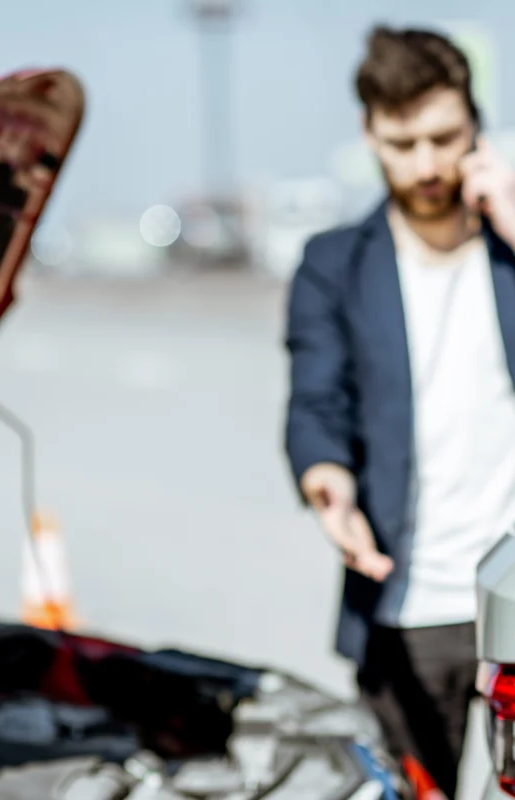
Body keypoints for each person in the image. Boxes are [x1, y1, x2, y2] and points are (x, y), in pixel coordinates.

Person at [284, 26, 515, 797]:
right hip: (405, 612)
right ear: (369, 133)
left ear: (477, 125)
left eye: (444, 138)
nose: (425, 165)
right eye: (402, 142)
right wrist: (329, 485)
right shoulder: (333, 266)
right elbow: (316, 400)